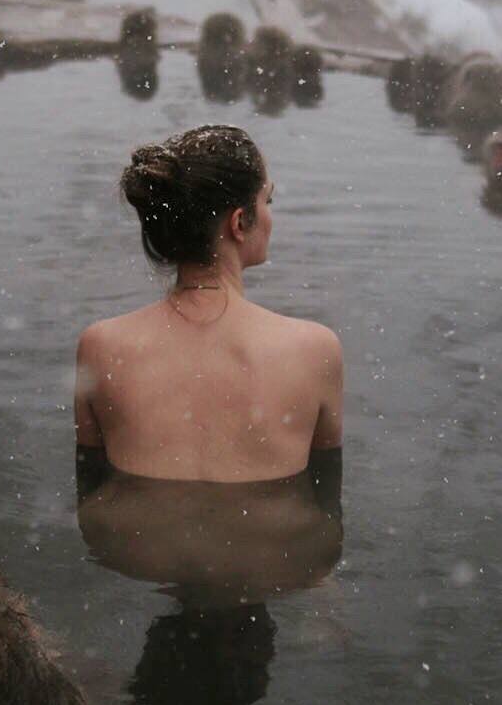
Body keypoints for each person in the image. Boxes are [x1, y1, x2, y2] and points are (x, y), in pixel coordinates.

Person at [74, 124, 343, 482]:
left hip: (140, 536)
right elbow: (326, 497)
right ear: (239, 222)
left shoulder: (101, 347)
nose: (270, 215)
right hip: (272, 536)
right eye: (268, 201)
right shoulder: (314, 350)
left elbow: (91, 488)